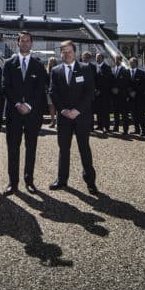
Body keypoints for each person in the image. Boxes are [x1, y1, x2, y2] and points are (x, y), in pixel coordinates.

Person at [2, 31, 48, 195]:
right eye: (22, 41)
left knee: (31, 148)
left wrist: (28, 105)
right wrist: (17, 104)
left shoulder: (38, 65)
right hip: (14, 113)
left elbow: (40, 89)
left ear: (31, 44)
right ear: (18, 43)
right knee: (13, 149)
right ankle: (12, 183)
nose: (25, 43)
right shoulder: (8, 63)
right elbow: (5, 87)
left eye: (28, 41)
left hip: (32, 114)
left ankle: (29, 181)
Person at [48, 40, 98, 194]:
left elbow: (90, 92)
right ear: (60, 53)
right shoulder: (56, 71)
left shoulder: (85, 68)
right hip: (63, 117)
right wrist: (63, 110)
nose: (67, 54)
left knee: (84, 148)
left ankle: (90, 181)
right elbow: (53, 92)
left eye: (69, 51)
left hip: (81, 116)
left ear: (74, 53)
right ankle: (62, 180)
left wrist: (77, 110)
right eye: (64, 52)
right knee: (64, 149)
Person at [93, 52, 113, 133]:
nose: (97, 59)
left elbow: (107, 81)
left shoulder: (107, 67)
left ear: (102, 58)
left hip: (104, 93)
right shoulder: (96, 67)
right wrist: (95, 90)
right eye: (97, 57)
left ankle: (106, 126)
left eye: (99, 57)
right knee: (98, 110)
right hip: (97, 93)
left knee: (105, 110)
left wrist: (100, 90)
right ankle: (100, 125)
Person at [126, 57, 145, 136]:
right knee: (133, 114)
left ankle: (143, 130)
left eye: (133, 62)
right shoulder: (126, 72)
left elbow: (143, 85)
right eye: (130, 62)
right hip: (130, 97)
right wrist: (129, 92)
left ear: (136, 63)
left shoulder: (141, 73)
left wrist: (135, 92)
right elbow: (125, 84)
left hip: (139, 97)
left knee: (141, 115)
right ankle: (136, 129)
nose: (131, 64)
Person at [110, 55, 128, 132]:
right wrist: (112, 89)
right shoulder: (113, 70)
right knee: (115, 112)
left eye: (118, 60)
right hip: (114, 95)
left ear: (121, 60)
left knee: (124, 113)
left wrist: (119, 90)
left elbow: (126, 83)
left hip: (122, 95)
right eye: (115, 60)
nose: (116, 61)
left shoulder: (125, 70)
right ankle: (115, 128)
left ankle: (125, 129)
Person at [46, 57, 59, 128]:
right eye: (50, 61)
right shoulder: (47, 71)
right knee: (51, 107)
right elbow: (45, 81)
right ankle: (52, 121)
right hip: (49, 91)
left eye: (53, 61)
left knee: (58, 107)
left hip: (57, 92)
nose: (52, 63)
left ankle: (58, 122)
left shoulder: (59, 69)